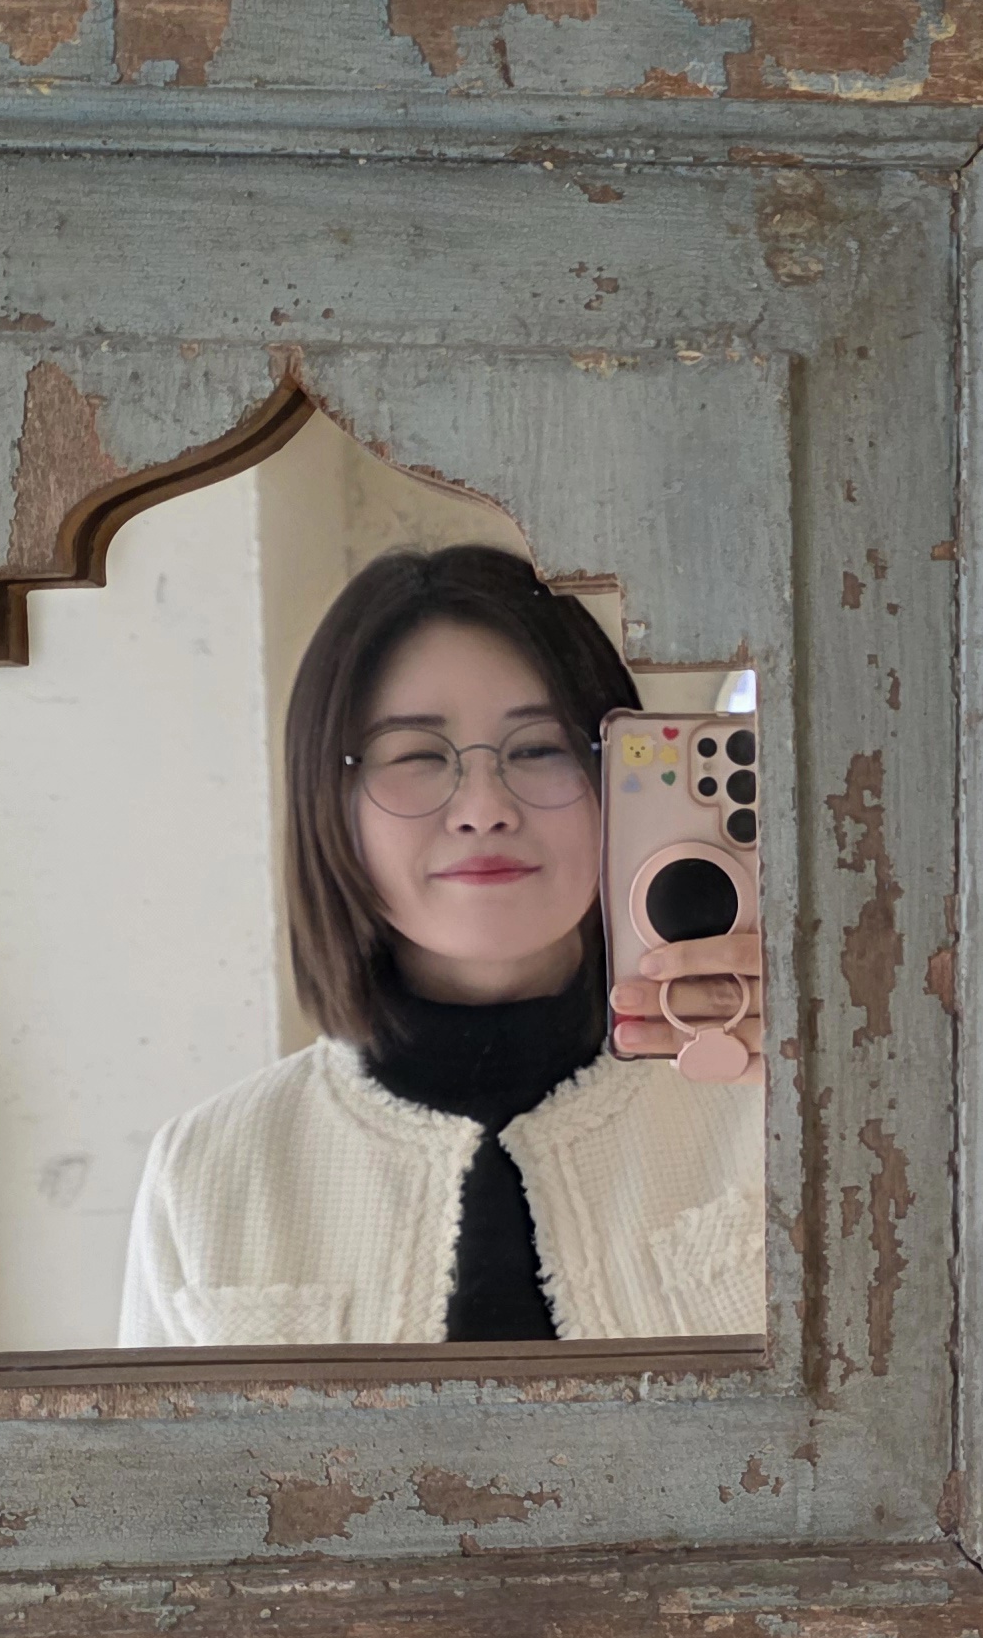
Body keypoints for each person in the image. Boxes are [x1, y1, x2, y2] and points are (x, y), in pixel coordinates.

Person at [118, 545, 764, 1346]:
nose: (484, 807)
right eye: (418, 756)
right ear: (330, 802)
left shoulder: (776, 1097)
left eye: (539, 748)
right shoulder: (208, 1167)